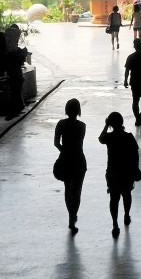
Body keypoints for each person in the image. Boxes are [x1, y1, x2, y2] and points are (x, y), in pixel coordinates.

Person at [98, 111, 140, 237]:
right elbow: (135, 155)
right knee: (127, 195)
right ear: (122, 122)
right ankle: (126, 215)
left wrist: (106, 125)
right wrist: (135, 169)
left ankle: (115, 224)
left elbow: (100, 139)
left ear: (110, 124)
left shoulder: (109, 137)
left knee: (114, 199)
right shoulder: (129, 137)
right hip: (126, 172)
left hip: (113, 172)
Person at [53, 98, 88, 232]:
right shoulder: (82, 126)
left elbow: (56, 143)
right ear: (78, 110)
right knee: (77, 191)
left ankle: (70, 216)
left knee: (68, 189)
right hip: (79, 160)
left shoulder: (60, 124)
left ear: (66, 110)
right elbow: (78, 143)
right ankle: (74, 215)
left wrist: (64, 151)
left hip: (66, 160)